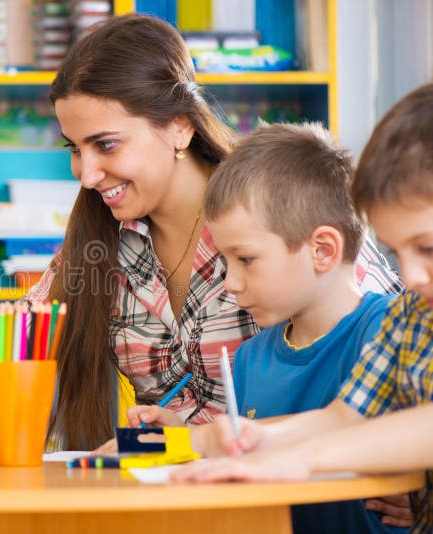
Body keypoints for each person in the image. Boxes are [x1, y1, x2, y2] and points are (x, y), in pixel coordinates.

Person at [27, 12, 401, 450]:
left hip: (300, 484)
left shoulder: (276, 203)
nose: (86, 175)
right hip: (177, 492)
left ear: (180, 127)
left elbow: (395, 354)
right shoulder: (98, 235)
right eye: (75, 148)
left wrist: (390, 463)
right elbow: (21, 343)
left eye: (106, 144)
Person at [171, 82, 433, 534]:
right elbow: (344, 416)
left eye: (427, 247)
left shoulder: (380, 318)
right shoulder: (412, 315)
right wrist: (259, 438)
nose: (410, 276)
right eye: (394, 254)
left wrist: (296, 459)